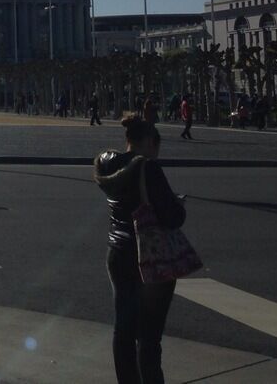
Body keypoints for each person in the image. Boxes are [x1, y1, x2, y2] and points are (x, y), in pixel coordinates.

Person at [94, 116, 186, 384]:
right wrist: (179, 206)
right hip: (149, 257)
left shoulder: (106, 163)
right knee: (149, 338)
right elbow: (171, 217)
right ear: (148, 141)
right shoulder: (148, 168)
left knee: (123, 330)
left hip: (117, 252)